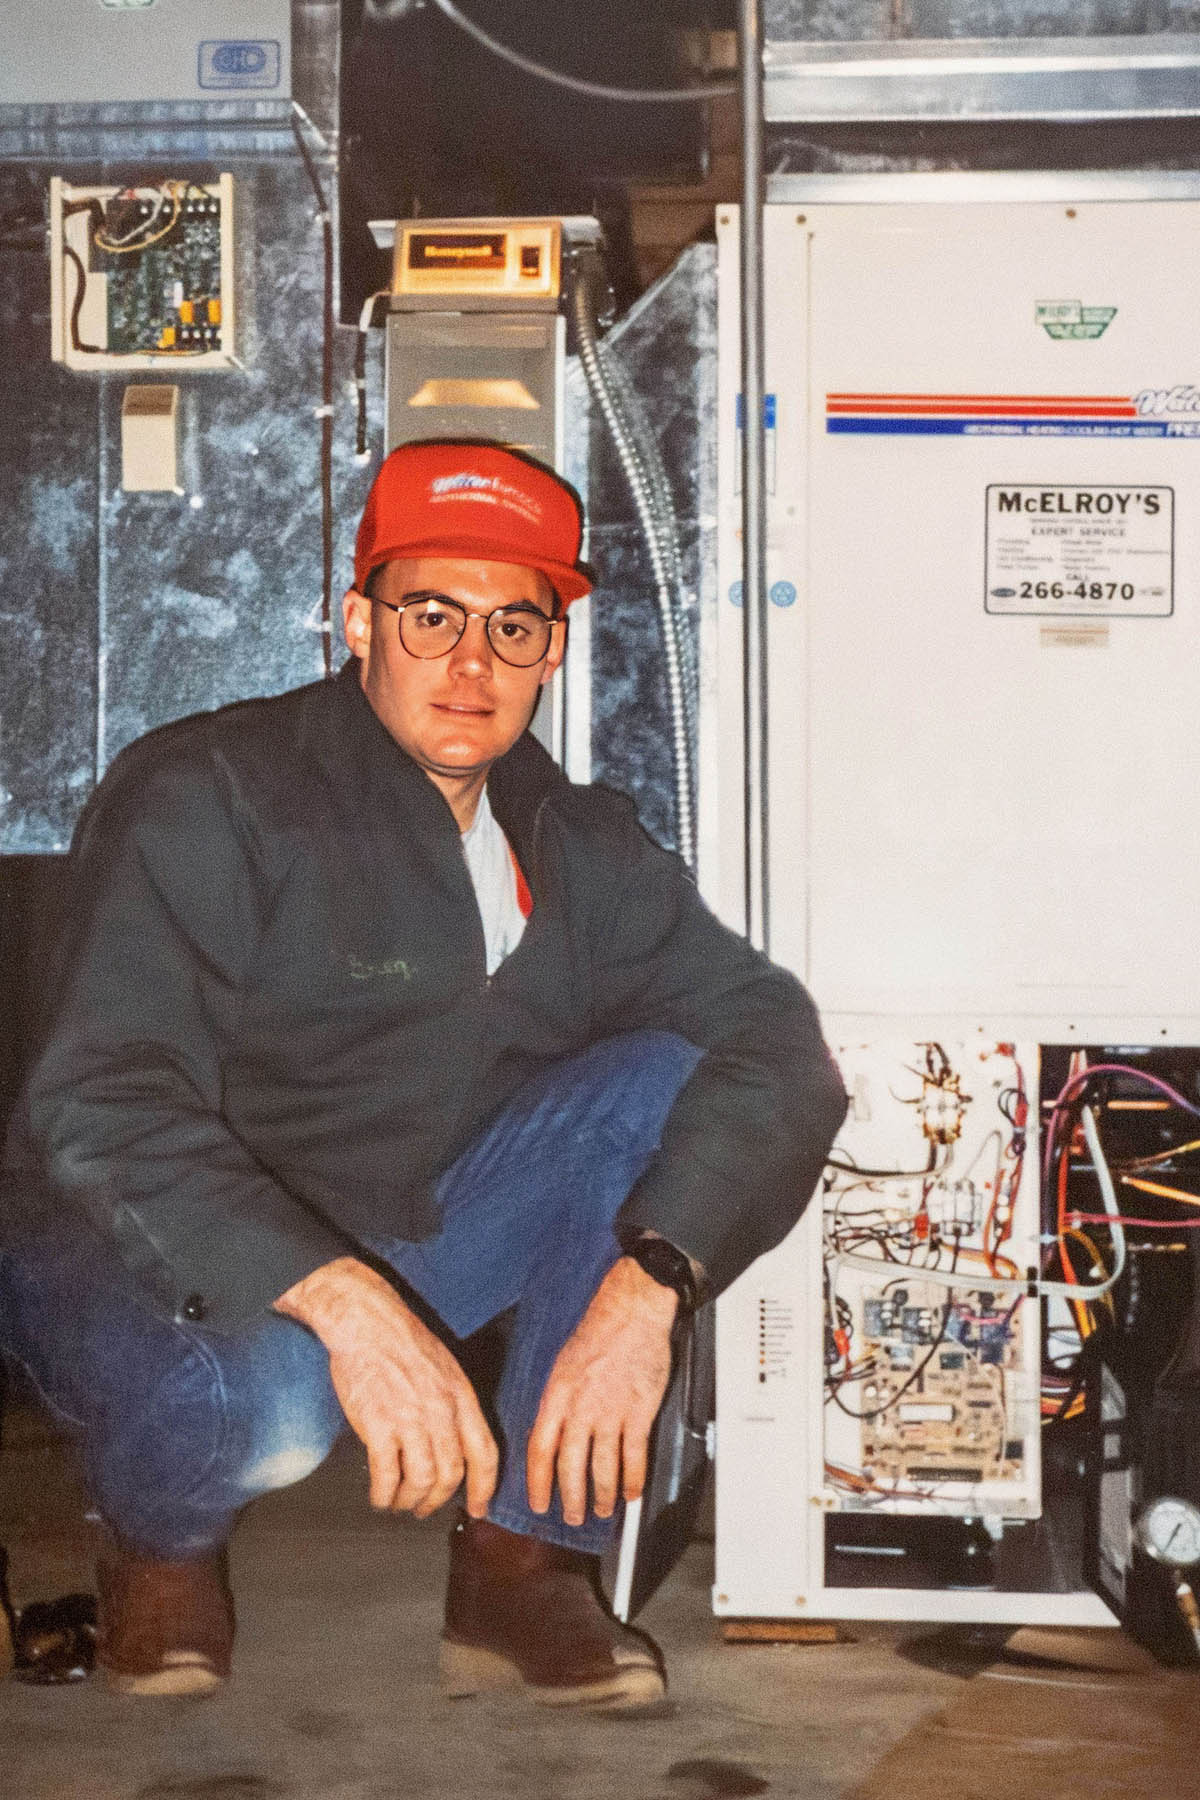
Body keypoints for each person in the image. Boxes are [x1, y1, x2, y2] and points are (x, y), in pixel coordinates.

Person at [0, 440, 846, 1710]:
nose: (472, 664)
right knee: (271, 1405)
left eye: (516, 625)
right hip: (118, 1242)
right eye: (432, 614)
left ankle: (520, 1555)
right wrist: (344, 1303)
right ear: (359, 620)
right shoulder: (211, 792)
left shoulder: (578, 844)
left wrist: (656, 1279)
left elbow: (773, 1041)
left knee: (666, 1076)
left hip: (391, 1217)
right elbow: (100, 1098)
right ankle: (155, 1540)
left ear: (555, 648)